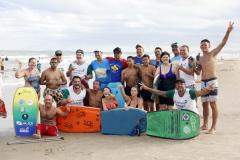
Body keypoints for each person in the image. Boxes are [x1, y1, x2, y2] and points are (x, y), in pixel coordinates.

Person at [196, 22, 234, 134]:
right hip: (203, 82)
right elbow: (198, 72)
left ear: (209, 46)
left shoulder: (213, 53)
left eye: (205, 45)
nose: (203, 46)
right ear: (200, 46)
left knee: (213, 104)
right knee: (204, 105)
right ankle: (205, 124)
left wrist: (228, 31)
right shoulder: (199, 58)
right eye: (202, 45)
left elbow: (223, 43)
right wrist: (195, 66)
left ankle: (214, 127)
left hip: (212, 81)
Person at [140, 78, 215, 114]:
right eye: (177, 84)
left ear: (185, 85)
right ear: (175, 86)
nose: (180, 85)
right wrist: (147, 88)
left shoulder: (190, 92)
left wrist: (208, 89)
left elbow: (200, 93)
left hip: (192, 115)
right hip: (181, 115)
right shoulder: (173, 93)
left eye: (181, 84)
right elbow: (159, 92)